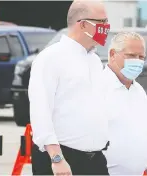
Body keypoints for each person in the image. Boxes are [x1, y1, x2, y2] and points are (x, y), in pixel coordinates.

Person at [28, 0, 111, 175]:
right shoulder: (50, 58)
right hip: (62, 160)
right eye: (102, 22)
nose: (107, 27)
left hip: (94, 160)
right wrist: (56, 158)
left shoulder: (94, 61)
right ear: (83, 25)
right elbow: (40, 113)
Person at [102, 32, 147, 175]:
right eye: (131, 56)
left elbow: (145, 141)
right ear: (113, 54)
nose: (138, 62)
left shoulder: (139, 92)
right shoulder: (96, 89)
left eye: (141, 57)